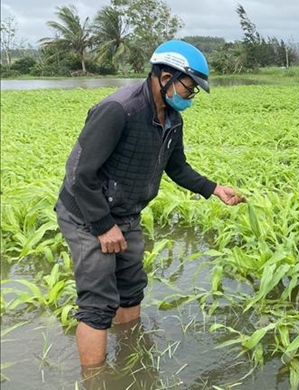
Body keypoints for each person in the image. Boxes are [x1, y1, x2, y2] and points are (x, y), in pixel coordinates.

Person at [54, 40, 245, 376]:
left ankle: (130, 359)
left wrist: (215, 189)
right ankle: (97, 381)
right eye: (189, 86)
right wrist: (102, 226)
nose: (191, 95)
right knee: (98, 302)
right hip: (87, 213)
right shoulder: (118, 110)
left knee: (130, 288)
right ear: (166, 76)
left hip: (126, 212)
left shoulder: (171, 119)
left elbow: (178, 167)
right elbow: (79, 173)